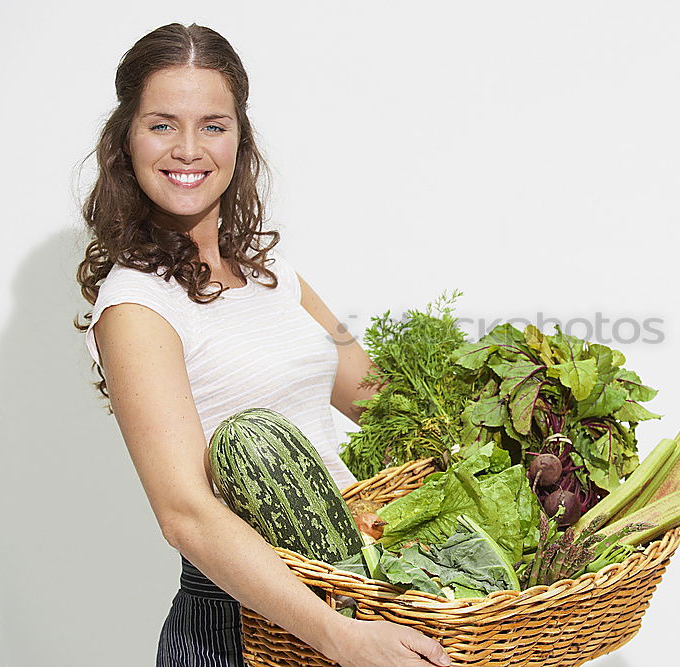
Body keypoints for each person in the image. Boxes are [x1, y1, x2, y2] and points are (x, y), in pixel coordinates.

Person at [74, 22, 452, 667]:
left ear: (240, 138)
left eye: (213, 125)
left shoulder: (273, 274)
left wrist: (512, 426)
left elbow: (375, 395)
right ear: (125, 140)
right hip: (248, 617)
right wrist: (338, 636)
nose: (188, 149)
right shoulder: (136, 308)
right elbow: (186, 515)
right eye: (162, 124)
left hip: (355, 578)